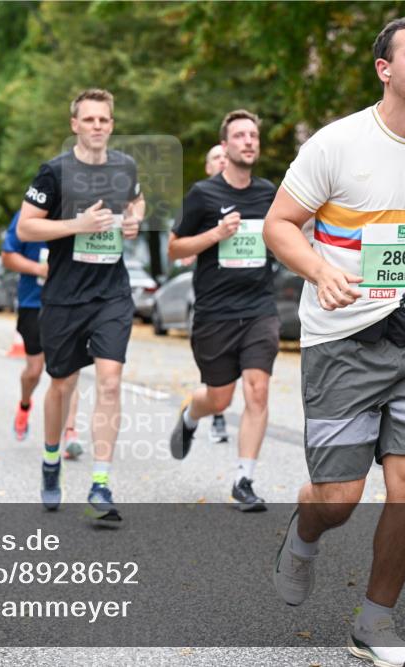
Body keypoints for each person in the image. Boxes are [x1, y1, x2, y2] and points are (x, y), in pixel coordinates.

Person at [261, 12, 405, 667]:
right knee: (338, 498)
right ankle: (303, 536)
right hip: (341, 340)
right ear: (386, 69)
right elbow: (280, 224)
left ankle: (375, 622)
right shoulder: (336, 144)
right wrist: (319, 269)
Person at [18, 88, 144, 522]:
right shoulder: (53, 173)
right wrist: (79, 225)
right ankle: (51, 459)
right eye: (88, 119)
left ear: (111, 124)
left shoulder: (124, 167)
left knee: (110, 381)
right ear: (74, 124)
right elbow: (26, 229)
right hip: (64, 296)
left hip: (111, 293)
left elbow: (137, 199)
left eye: (103, 120)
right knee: (62, 384)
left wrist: (134, 220)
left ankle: (101, 483)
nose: (96, 126)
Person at [168, 110, 280, 512]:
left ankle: (243, 479)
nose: (249, 141)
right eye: (240, 135)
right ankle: (190, 416)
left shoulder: (269, 194)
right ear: (226, 145)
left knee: (258, 388)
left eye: (254, 135)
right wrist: (216, 234)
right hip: (215, 311)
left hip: (259, 308)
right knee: (219, 399)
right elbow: (175, 247)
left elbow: (289, 235)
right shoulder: (202, 195)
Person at [1, 211, 84, 459]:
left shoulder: (78, 213)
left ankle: (69, 432)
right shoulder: (28, 215)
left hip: (69, 303)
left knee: (69, 370)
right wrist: (40, 269)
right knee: (34, 371)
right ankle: (25, 404)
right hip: (33, 304)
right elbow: (8, 257)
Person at [203, 143, 230, 445]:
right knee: (217, 369)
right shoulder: (201, 196)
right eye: (216, 159)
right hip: (212, 297)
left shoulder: (257, 193)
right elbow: (179, 242)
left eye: (224, 156)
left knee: (256, 380)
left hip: (251, 299)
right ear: (208, 167)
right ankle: (216, 413)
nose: (222, 161)